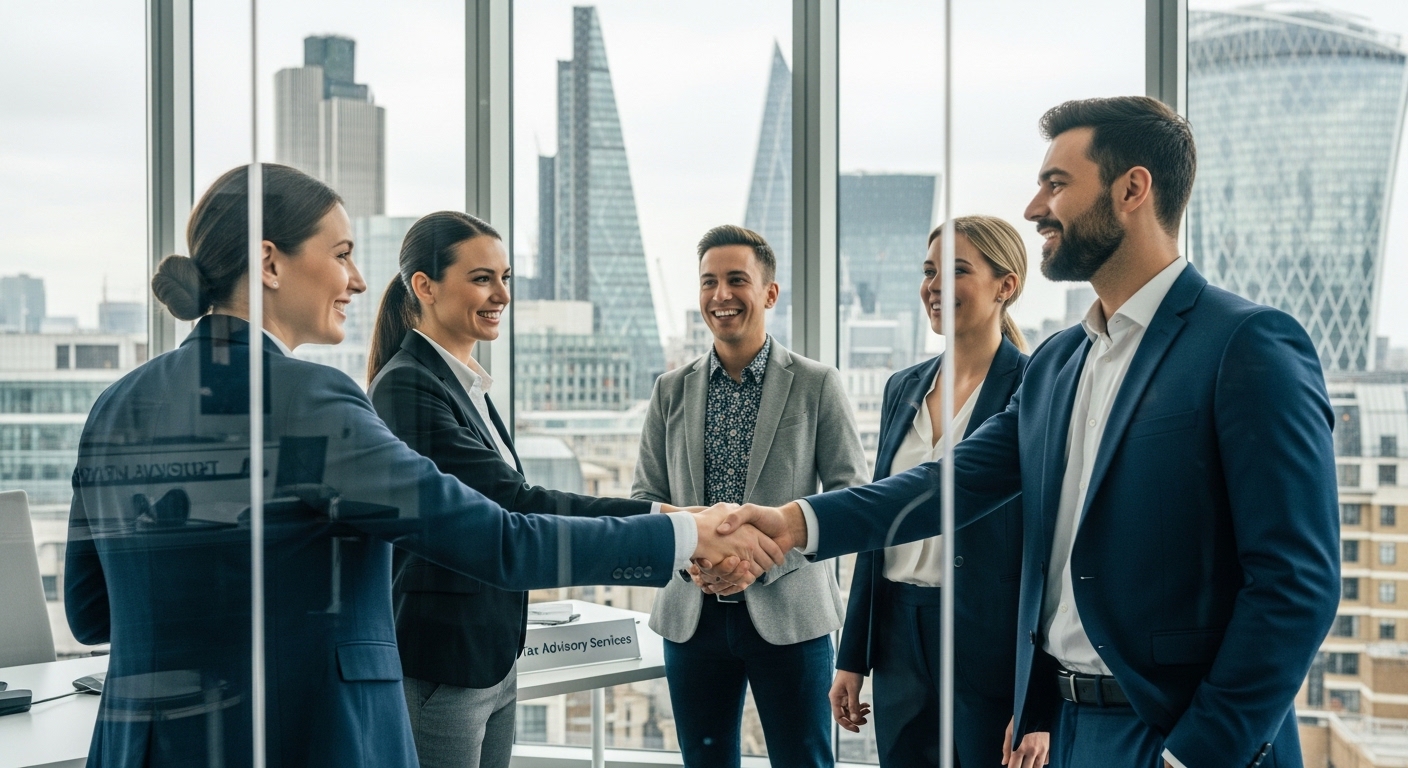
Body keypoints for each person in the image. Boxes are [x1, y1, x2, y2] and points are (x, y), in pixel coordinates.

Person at [64, 164, 781, 768]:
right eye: (340, 252)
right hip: (306, 739)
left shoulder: (115, 406)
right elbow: (501, 540)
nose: (355, 278)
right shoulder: (309, 399)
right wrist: (683, 535)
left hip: (144, 746)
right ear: (272, 261)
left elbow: (90, 611)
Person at [708, 96, 1339, 768]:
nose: (1036, 207)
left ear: (1133, 189)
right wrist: (794, 522)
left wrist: (1198, 752)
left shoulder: (1246, 345)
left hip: (1175, 733)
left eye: (1057, 184)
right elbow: (945, 484)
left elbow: (1296, 582)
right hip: (1067, 728)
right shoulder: (1060, 363)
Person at [364, 211, 685, 768]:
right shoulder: (406, 387)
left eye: (506, 278)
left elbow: (516, 491)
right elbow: (515, 505)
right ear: (425, 286)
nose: (501, 295)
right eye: (482, 278)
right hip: (443, 663)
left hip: (492, 654)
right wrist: (663, 522)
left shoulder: (463, 382)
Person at [632, 224, 869, 768]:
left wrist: (763, 560)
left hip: (791, 613)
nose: (721, 295)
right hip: (692, 615)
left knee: (804, 760)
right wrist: (697, 563)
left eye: (736, 280)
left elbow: (851, 497)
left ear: (769, 292)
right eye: (709, 282)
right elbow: (645, 495)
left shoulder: (816, 384)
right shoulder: (670, 389)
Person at [829, 216, 1048, 768]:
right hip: (900, 632)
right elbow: (877, 527)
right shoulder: (902, 387)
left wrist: (1038, 699)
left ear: (1007, 285)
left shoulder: (1036, 388)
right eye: (929, 271)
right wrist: (852, 657)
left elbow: (1051, 549)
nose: (934, 286)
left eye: (956, 270)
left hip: (990, 641)